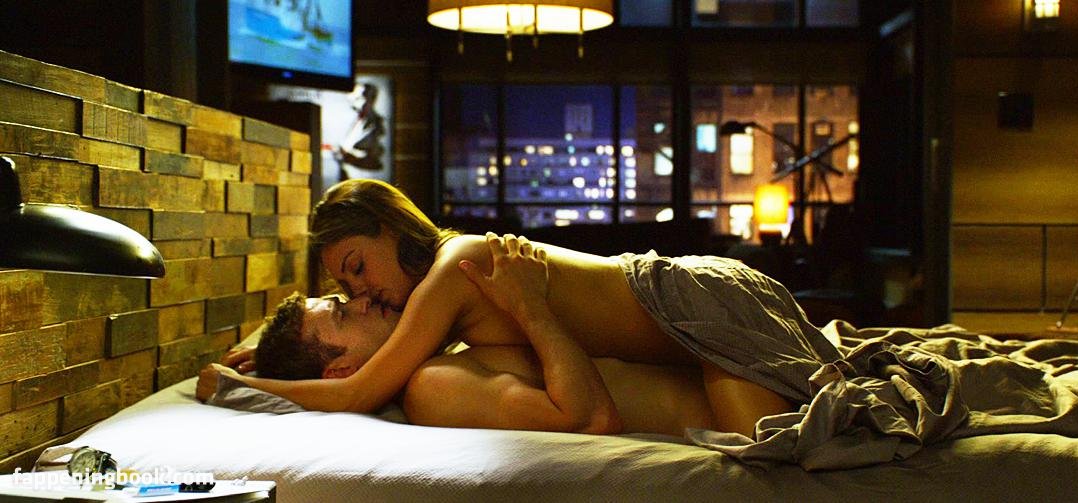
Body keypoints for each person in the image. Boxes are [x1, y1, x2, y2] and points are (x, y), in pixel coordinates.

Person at [200, 179, 838, 437]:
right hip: (686, 323)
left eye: (359, 270)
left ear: (390, 229)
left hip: (691, 300)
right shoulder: (441, 319)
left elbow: (360, 387)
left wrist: (244, 386)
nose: (365, 296)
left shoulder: (454, 271)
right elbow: (357, 373)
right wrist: (271, 356)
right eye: (347, 292)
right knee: (788, 436)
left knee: (782, 450)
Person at [334, 82, 385, 177]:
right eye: (353, 98)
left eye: (358, 98)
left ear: (370, 100)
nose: (353, 102)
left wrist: (347, 157)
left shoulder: (376, 126)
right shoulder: (354, 119)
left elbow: (373, 162)